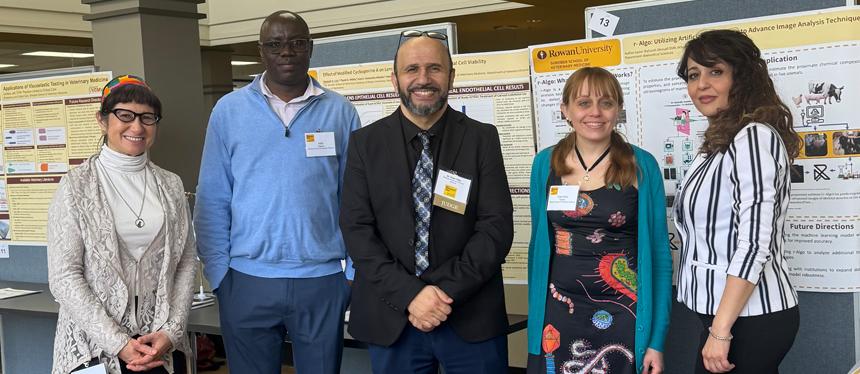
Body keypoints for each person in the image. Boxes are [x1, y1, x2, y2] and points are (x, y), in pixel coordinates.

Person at [194, 10, 360, 374]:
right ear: (261, 51)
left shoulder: (340, 111)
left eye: (297, 43)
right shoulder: (229, 111)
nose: (287, 52)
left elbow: (355, 199)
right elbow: (212, 197)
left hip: (322, 281)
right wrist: (220, 273)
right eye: (275, 44)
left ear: (310, 48)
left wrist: (350, 275)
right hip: (246, 281)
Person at [339, 30, 514, 373]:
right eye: (412, 69)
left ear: (451, 76)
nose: (423, 79)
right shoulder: (364, 144)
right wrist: (412, 296)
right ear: (395, 79)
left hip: (469, 314)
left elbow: (495, 228)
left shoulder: (482, 138)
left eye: (434, 68)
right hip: (392, 318)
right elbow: (357, 231)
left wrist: (438, 294)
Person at [47, 75, 197, 374]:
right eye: (124, 115)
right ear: (103, 120)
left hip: (160, 348)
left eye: (147, 118)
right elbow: (64, 276)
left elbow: (186, 262)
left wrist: (172, 332)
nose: (137, 127)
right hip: (96, 349)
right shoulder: (76, 186)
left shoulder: (170, 184)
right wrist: (120, 344)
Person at [526, 67, 672, 374]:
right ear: (565, 110)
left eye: (606, 103)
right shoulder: (545, 164)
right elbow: (538, 249)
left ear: (618, 109)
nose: (595, 112)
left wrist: (656, 341)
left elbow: (659, 258)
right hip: (559, 313)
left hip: (625, 316)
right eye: (583, 103)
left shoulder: (641, 165)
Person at [674, 29, 800, 373]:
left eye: (715, 72)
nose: (701, 84)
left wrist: (720, 331)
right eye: (693, 75)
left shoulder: (754, 137)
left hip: (749, 319)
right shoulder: (718, 143)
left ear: (741, 77)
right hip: (727, 318)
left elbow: (753, 244)